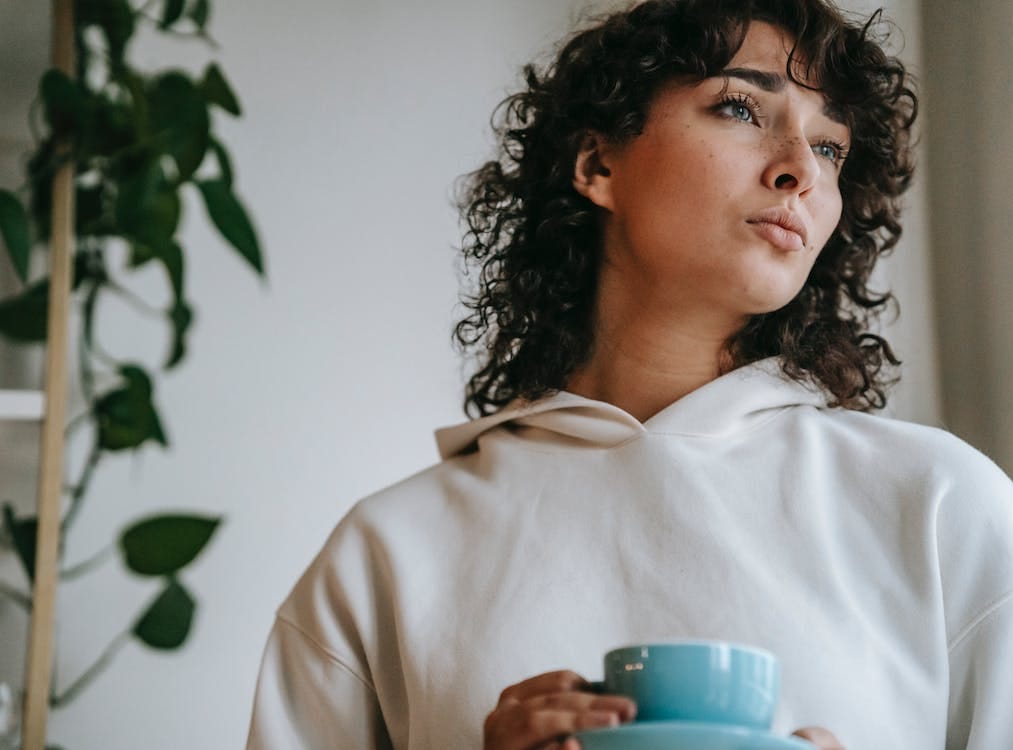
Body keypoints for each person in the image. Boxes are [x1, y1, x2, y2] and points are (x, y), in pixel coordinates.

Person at [246, 0, 1013, 748]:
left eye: (829, 149)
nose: (798, 172)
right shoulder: (387, 554)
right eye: (741, 109)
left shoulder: (942, 506)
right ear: (597, 162)